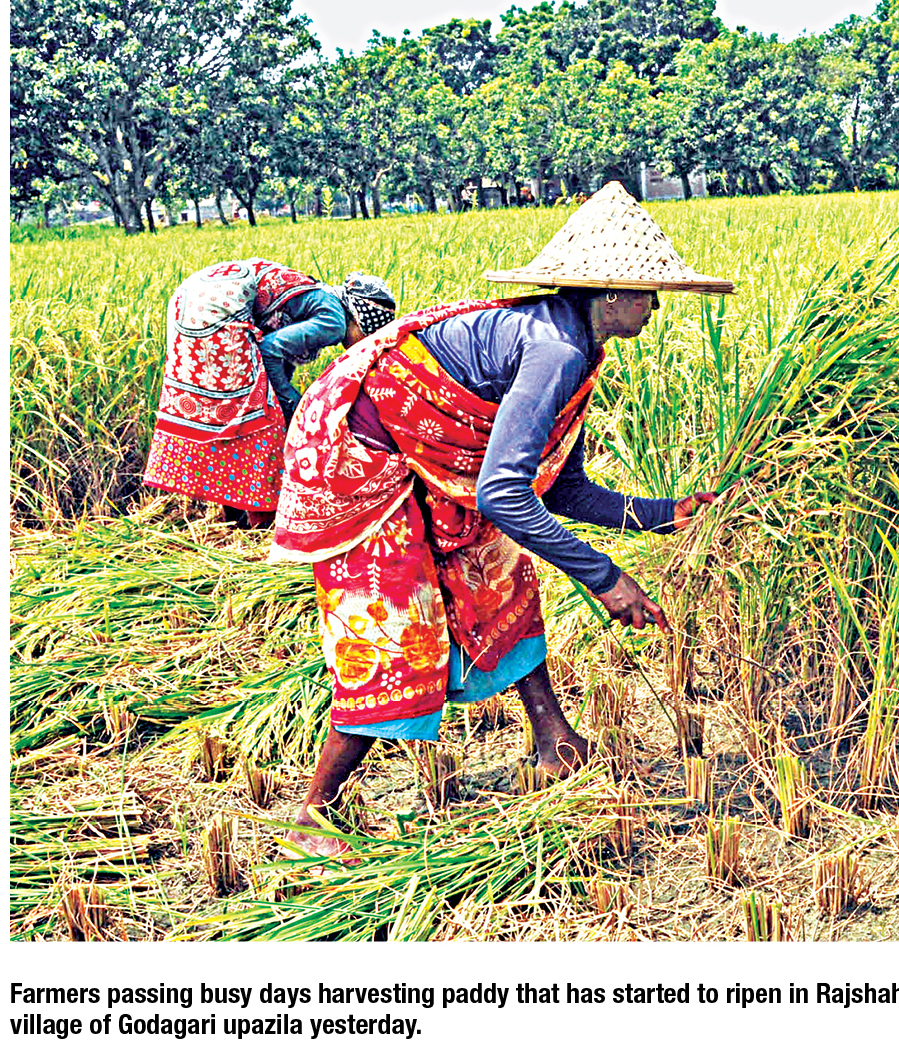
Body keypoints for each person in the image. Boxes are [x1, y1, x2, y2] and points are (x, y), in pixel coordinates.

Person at [269, 182, 735, 857]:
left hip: (427, 455)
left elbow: (560, 488)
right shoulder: (556, 350)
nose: (655, 306)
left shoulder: (576, 345)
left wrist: (664, 516)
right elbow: (502, 494)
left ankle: (554, 739)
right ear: (608, 294)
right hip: (366, 459)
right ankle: (315, 815)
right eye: (646, 293)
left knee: (497, 577)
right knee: (396, 632)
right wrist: (606, 579)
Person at [142, 262, 397, 527]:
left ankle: (234, 517)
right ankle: (258, 520)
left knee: (231, 417)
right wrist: (293, 404)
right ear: (359, 322)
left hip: (191, 298)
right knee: (260, 420)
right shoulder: (334, 323)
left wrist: (282, 395)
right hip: (216, 308)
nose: (362, 348)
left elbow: (277, 356)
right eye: (367, 338)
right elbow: (271, 350)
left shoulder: (322, 300)